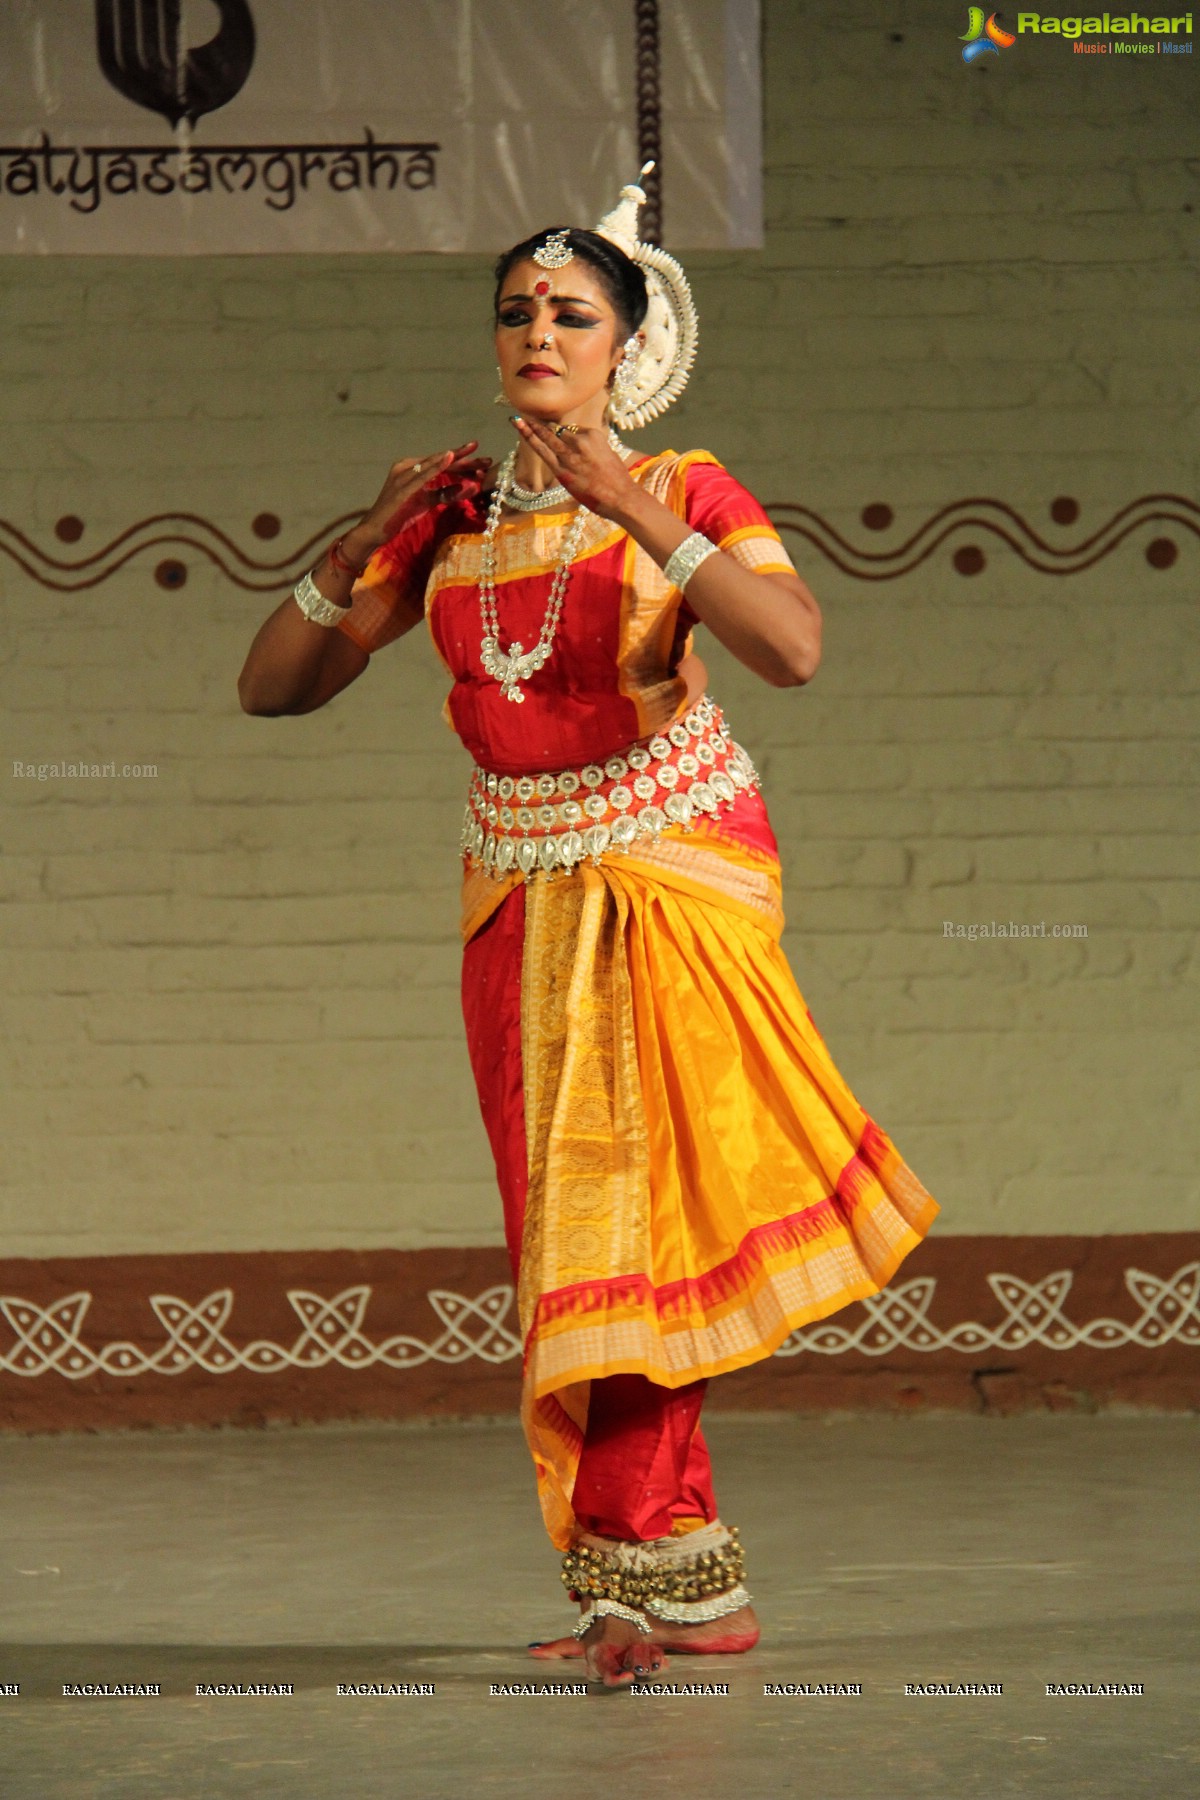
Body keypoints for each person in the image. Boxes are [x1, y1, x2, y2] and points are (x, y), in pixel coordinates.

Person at [238, 170, 940, 1690]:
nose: (537, 331)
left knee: (642, 1228)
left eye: (571, 311)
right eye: (515, 311)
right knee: (568, 1247)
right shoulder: (454, 521)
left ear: (631, 345)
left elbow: (795, 651)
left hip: (665, 884)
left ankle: (655, 1585)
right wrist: (359, 539)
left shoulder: (687, 487)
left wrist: (631, 507)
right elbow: (275, 687)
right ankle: (646, 1584)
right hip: (518, 905)